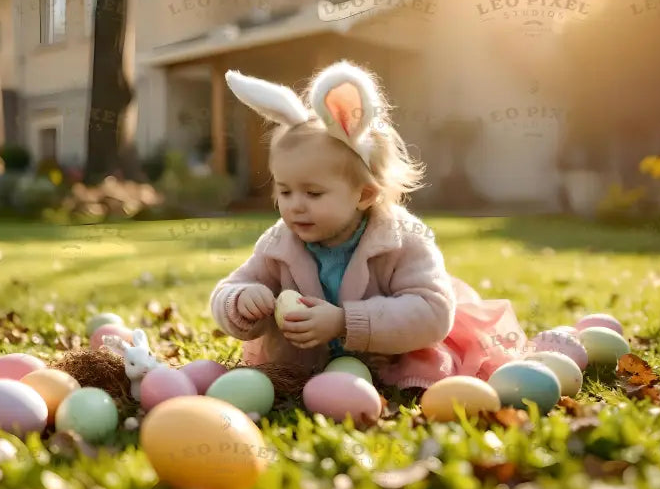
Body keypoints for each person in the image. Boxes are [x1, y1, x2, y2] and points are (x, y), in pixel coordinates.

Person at [208, 60, 526, 389]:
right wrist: (241, 300)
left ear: (365, 194)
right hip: (309, 367)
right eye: (284, 190)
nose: (295, 205)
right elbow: (226, 291)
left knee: (421, 376)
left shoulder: (402, 240)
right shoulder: (279, 242)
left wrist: (345, 322)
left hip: (395, 359)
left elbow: (433, 312)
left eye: (314, 193)